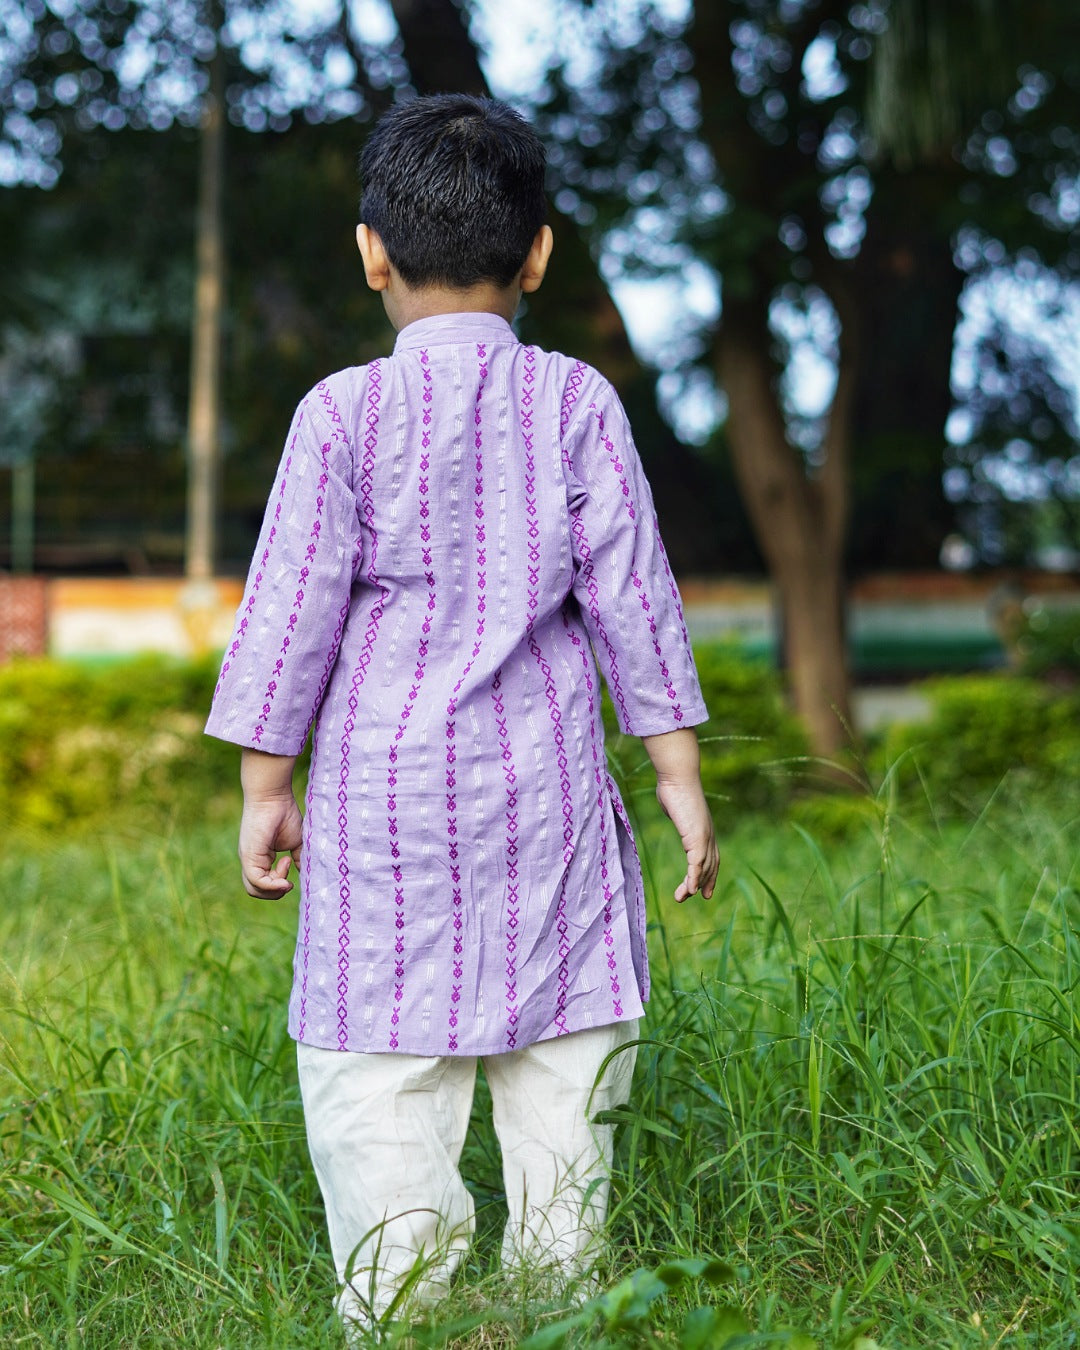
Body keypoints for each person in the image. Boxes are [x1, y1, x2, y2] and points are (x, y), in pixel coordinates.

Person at [206, 93, 719, 1335]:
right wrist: (679, 772)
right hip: (550, 787)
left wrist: (265, 788)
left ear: (371, 252)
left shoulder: (342, 413)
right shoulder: (579, 403)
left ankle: (397, 1302)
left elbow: (291, 615)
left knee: (377, 1060)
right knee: (564, 1054)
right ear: (538, 253)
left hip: (384, 803)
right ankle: (556, 1295)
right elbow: (634, 598)